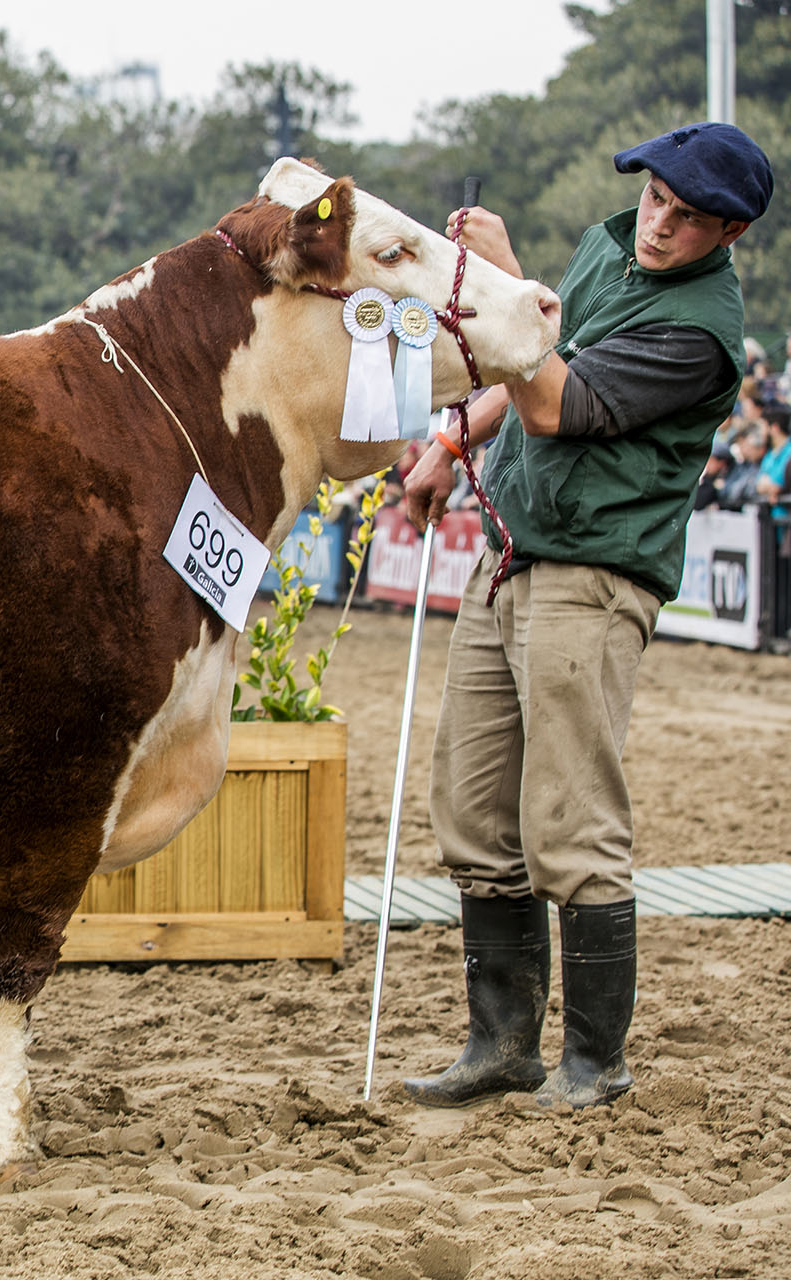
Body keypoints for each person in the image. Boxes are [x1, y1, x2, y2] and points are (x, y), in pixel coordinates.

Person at [400, 122, 772, 1111]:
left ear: (728, 231)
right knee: (474, 808)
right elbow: (533, 370)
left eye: (688, 218)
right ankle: (501, 1045)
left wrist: (507, 281)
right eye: (656, 198)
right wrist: (450, 441)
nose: (659, 224)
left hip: (596, 570)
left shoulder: (700, 332)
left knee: (570, 819)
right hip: (510, 548)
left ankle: (595, 1061)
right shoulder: (610, 244)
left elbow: (558, 399)